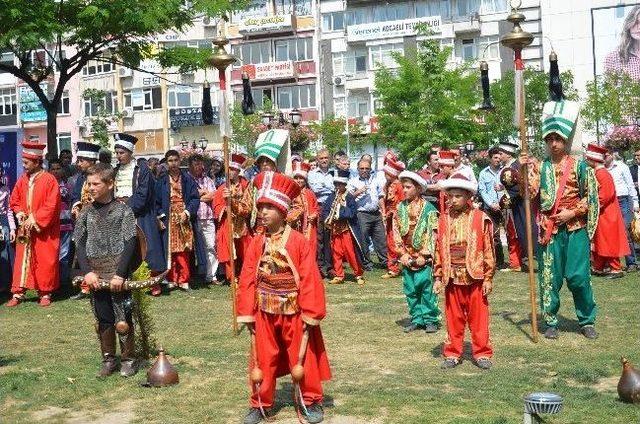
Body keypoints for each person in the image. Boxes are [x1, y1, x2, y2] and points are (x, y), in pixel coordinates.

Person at [236, 171, 330, 424]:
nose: (263, 212)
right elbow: (247, 276)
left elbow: (310, 276)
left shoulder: (299, 241)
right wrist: (246, 310)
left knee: (303, 356)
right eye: (261, 207)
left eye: (269, 207)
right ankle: (259, 402)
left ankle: (310, 400)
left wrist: (311, 312)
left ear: (283, 210)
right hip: (264, 310)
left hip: (294, 309)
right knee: (262, 358)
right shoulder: (257, 242)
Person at [522, 99, 598, 340]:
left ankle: (586, 320)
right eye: (550, 140)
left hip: (575, 228)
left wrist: (572, 212)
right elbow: (528, 194)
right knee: (549, 277)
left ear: (565, 141)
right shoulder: (539, 167)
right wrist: (522, 171)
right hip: (549, 231)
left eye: (558, 139)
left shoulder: (581, 167)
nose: (554, 144)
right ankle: (551, 320)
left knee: (578, 277)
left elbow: (593, 198)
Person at [74, 163, 140, 377]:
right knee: (103, 317)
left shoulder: (123, 210)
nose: (91, 187)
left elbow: (130, 242)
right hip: (96, 273)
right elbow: (80, 244)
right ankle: (109, 359)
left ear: (110, 184)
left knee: (123, 318)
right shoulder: (86, 212)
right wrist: (87, 272)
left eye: (96, 183)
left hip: (118, 271)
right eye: (89, 183)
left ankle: (129, 359)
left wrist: (120, 273)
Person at [434, 173, 495, 370]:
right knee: (454, 318)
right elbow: (438, 249)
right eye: (450, 196)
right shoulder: (443, 219)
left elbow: (488, 249)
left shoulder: (480, 218)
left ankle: (482, 353)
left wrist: (488, 278)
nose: (453, 200)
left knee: (478, 318)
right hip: (452, 277)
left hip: (475, 276)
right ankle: (452, 353)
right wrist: (437, 275)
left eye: (458, 196)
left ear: (468, 197)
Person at [7, 141, 61, 307]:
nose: (24, 166)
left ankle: (45, 292)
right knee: (22, 260)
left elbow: (52, 205)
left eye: (26, 163)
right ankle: (18, 292)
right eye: (23, 162)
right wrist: (20, 213)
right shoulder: (22, 179)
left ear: (37, 162)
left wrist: (35, 218)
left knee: (45, 260)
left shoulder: (50, 180)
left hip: (44, 230)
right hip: (26, 229)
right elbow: (14, 199)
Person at [393, 170, 440, 333]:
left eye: (408, 187)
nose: (404, 190)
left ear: (419, 188)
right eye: (403, 187)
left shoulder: (430, 209)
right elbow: (396, 232)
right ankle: (417, 318)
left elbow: (433, 235)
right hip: (407, 258)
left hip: (423, 260)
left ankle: (430, 319)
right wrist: (402, 254)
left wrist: (425, 254)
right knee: (411, 290)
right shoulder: (399, 208)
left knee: (426, 290)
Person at [113, 133, 165, 276]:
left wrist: (126, 208)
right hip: (119, 213)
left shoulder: (142, 169)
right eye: (116, 153)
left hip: (140, 214)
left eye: (121, 153)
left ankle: (151, 280)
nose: (118, 156)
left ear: (130, 152)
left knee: (147, 247)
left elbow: (143, 194)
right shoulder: (115, 171)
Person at [154, 150, 203, 294]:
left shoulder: (188, 179)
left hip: (184, 216)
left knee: (184, 249)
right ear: (166, 162)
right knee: (170, 250)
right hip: (168, 218)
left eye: (175, 160)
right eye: (170, 161)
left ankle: (184, 279)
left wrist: (187, 212)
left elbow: (195, 198)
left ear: (179, 161)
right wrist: (160, 216)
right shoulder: (161, 181)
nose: (173, 163)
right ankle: (171, 279)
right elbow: (156, 202)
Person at [586, 143, 630, 279]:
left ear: (593, 159)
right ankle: (598, 267)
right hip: (603, 213)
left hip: (607, 213)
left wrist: (590, 205)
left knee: (609, 240)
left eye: (588, 158)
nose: (586, 161)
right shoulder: (599, 172)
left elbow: (605, 195)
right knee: (600, 240)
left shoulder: (602, 174)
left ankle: (616, 268)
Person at [496, 140, 538, 272]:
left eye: (501, 153)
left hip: (518, 205)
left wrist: (506, 193)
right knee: (513, 233)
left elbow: (520, 186)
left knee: (522, 231)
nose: (499, 156)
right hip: (511, 206)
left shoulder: (516, 166)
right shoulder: (510, 166)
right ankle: (516, 261)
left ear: (507, 154)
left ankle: (525, 260)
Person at [213, 153, 253, 283]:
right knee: (230, 251)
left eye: (233, 169)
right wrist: (224, 209)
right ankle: (232, 277)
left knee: (245, 251)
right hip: (228, 223)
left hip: (242, 223)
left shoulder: (246, 186)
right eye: (228, 169)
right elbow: (216, 205)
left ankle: (245, 275)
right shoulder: (222, 188)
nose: (230, 172)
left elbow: (248, 206)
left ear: (238, 171)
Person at [322, 170, 366, 285]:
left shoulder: (350, 197)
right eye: (335, 184)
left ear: (344, 185)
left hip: (346, 230)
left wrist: (340, 212)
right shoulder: (331, 197)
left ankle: (358, 274)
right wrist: (328, 218)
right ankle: (339, 275)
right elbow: (325, 210)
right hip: (335, 230)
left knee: (350, 253)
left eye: (339, 184)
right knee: (336, 253)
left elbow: (352, 212)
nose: (337, 187)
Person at [69, 141, 101, 300]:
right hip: (83, 222)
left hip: (99, 220)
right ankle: (85, 287)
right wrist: (75, 206)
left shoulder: (102, 176)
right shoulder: (80, 178)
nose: (78, 163)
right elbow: (75, 195)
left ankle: (99, 284)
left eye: (81, 160)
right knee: (83, 253)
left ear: (91, 161)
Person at [347, 159, 388, 271]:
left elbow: (380, 197)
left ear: (370, 169)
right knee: (364, 240)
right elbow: (348, 199)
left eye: (367, 168)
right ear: (358, 169)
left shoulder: (376, 181)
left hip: (376, 213)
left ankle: (385, 262)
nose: (364, 170)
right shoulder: (353, 182)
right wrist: (358, 192)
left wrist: (383, 211)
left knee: (381, 239)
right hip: (361, 214)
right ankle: (366, 263)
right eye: (362, 168)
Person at [188, 153, 219, 286]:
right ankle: (193, 275)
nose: (199, 167)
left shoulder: (208, 180)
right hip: (193, 218)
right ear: (190, 166)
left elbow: (214, 195)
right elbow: (188, 197)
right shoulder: (186, 179)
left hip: (207, 217)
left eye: (201, 164)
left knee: (211, 246)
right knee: (191, 249)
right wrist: (200, 194)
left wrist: (198, 196)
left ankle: (211, 275)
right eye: (196, 164)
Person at [604, 151, 639, 271]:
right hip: (608, 202)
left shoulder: (622, 167)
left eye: (606, 154)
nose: (605, 157)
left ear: (611, 155)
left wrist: (635, 203)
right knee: (610, 232)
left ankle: (632, 263)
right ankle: (613, 264)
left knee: (625, 231)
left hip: (623, 200)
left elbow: (630, 185)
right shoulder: (601, 169)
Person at [477, 147, 507, 270]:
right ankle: (496, 261)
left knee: (510, 234)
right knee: (493, 234)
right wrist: (491, 204)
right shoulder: (483, 173)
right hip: (490, 208)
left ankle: (514, 261)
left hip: (505, 207)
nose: (498, 160)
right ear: (490, 158)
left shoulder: (505, 171)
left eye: (499, 158)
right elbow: (482, 191)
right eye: (495, 158)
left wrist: (502, 203)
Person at [308, 149, 335, 278]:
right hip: (318, 207)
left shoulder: (334, 173)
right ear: (317, 160)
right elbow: (315, 189)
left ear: (329, 159)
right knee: (319, 238)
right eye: (321, 158)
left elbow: (335, 189)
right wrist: (328, 187)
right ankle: (319, 267)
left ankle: (330, 267)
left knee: (330, 238)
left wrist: (324, 187)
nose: (324, 160)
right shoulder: (312, 173)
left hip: (332, 207)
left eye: (326, 158)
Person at [49, 159, 74, 286]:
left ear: (62, 170)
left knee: (64, 255)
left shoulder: (68, 185)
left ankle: (63, 282)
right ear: (49, 171)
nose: (56, 171)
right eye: (53, 169)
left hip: (66, 224)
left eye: (58, 168)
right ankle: (51, 280)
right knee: (51, 254)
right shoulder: (46, 185)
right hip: (50, 225)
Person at [287, 162, 319, 260]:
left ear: (305, 180)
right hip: (294, 226)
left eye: (301, 178)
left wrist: (314, 215)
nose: (298, 180)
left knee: (309, 248)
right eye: (296, 178)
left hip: (308, 227)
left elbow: (316, 208)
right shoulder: (289, 193)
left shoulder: (310, 193)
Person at [381, 155, 406, 279]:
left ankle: (400, 267)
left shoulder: (399, 186)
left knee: (398, 242)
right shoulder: (387, 185)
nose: (385, 175)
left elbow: (403, 203)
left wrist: (395, 213)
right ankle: (393, 268)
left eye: (386, 173)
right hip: (390, 218)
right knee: (390, 242)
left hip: (398, 218)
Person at [604, 5, 640, 80]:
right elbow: (610, 90)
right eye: (636, 22)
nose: (639, 27)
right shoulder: (613, 58)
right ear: (629, 25)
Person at [0, 168, 15, 293]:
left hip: (3, 222)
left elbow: (9, 210)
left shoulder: (5, 189)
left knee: (3, 253)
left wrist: (12, 229)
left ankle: (4, 285)